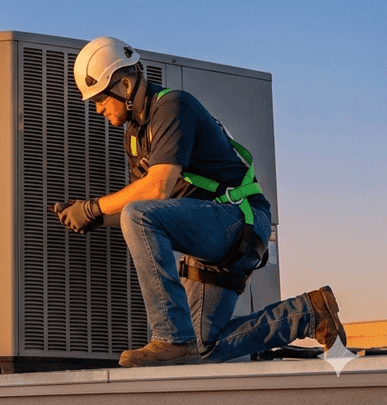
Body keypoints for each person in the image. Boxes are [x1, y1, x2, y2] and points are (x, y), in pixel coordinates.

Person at [53, 36, 346, 367]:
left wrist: (93, 207)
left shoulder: (173, 106)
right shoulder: (135, 138)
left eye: (100, 98)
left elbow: (157, 189)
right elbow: (142, 206)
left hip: (240, 217)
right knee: (201, 350)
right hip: (212, 229)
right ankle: (309, 313)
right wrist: (88, 216)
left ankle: (168, 338)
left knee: (139, 220)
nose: (98, 108)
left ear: (123, 84)